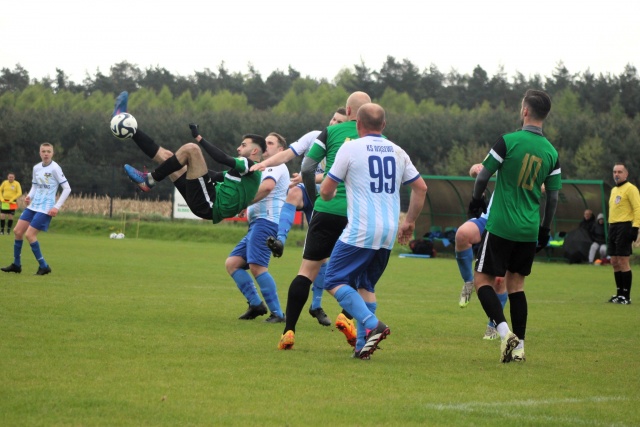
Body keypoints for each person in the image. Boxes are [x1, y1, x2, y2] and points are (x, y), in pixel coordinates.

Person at [318, 103, 428, 359]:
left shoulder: (350, 147)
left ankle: (371, 323)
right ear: (384, 125)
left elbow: (326, 189)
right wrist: (410, 221)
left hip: (361, 229)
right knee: (365, 285)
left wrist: (328, 194)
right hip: (388, 231)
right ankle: (362, 348)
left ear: (357, 124)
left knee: (333, 279)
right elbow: (421, 188)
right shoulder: (398, 151)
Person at [468, 89, 561, 363]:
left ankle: (504, 332)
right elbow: (553, 197)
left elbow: (482, 176)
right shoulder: (552, 152)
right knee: (516, 287)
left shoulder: (508, 141)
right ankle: (520, 348)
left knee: (481, 280)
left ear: (525, 111)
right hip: (528, 230)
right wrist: (544, 229)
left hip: (501, 226)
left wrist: (476, 201)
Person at [276, 91, 372, 350]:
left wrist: (313, 197)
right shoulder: (376, 140)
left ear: (348, 111)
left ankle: (288, 331)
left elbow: (307, 167)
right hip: (358, 215)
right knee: (359, 273)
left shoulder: (330, 133)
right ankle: (346, 316)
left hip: (327, 210)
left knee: (306, 271)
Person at [250, 107, 348, 327]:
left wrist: (306, 177)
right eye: (333, 119)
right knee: (293, 193)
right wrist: (265, 163)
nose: (333, 124)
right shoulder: (315, 137)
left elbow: (336, 177)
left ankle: (316, 305)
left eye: (340, 122)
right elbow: (288, 154)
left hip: (329, 199)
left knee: (321, 258)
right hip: (310, 191)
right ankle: (280, 241)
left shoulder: (346, 144)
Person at [114, 91, 265, 223]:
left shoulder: (249, 165)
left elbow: (222, 158)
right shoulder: (245, 174)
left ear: (254, 151)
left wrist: (199, 138)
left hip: (210, 203)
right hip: (205, 202)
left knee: (192, 149)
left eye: (243, 145)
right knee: (168, 157)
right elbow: (215, 175)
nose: (238, 148)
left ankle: (149, 180)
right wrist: (188, 166)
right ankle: (131, 129)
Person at [226, 132, 290, 322]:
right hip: (258, 223)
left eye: (270, 143)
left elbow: (267, 187)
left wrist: (243, 202)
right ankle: (255, 304)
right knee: (233, 264)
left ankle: (278, 313)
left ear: (281, 150)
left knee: (257, 267)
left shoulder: (276, 165)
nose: (265, 145)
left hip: (267, 221)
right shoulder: (265, 167)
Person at [1, 143, 72, 275]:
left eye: (48, 151)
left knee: (30, 235)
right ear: (40, 153)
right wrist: (29, 196)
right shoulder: (36, 168)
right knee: (17, 231)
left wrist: (56, 207)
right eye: (43, 151)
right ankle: (16, 265)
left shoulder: (55, 168)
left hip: (46, 208)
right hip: (34, 205)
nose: (46, 154)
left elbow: (67, 188)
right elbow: (35, 186)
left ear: (52, 153)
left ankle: (44, 266)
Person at [455, 163, 507, 340]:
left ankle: (494, 325)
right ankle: (468, 282)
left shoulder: (533, 162)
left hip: (510, 224)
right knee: (462, 234)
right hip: (487, 218)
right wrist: (477, 170)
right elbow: (474, 169)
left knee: (499, 280)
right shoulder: (505, 154)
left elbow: (545, 185)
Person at [606, 162, 640, 304]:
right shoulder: (614, 190)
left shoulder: (631, 189)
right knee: (614, 261)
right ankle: (619, 293)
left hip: (624, 226)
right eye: (615, 172)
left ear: (626, 174)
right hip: (613, 226)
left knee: (623, 261)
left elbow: (637, 208)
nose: (616, 174)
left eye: (620, 172)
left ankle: (626, 296)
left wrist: (635, 227)